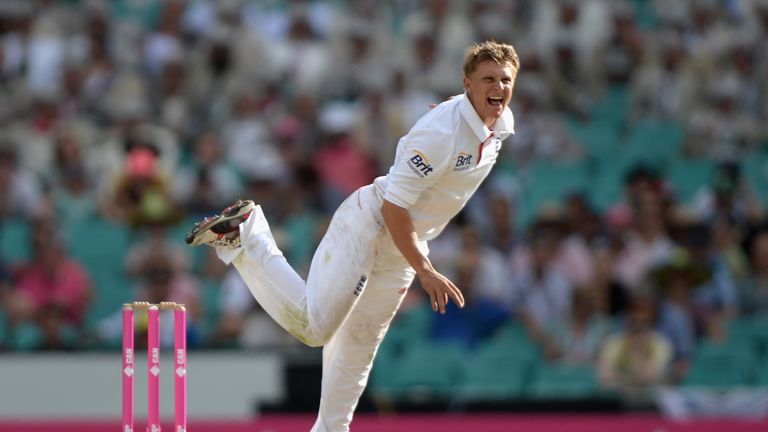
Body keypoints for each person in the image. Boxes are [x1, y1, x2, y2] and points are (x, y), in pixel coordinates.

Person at [185, 41, 519, 432]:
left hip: (404, 244)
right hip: (372, 223)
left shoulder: (502, 122)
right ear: (467, 84)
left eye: (505, 79)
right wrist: (425, 270)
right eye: (487, 79)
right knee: (316, 329)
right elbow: (394, 208)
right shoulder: (440, 135)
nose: (498, 87)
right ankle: (245, 236)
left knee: (360, 344)